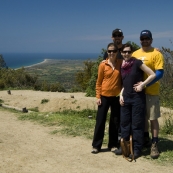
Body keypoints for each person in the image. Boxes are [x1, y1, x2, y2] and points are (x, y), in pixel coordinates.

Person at [119, 43, 156, 159]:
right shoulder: (122, 65)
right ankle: (124, 147)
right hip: (125, 98)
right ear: (121, 53)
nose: (126, 54)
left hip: (137, 99)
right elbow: (125, 83)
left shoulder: (137, 62)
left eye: (129, 52)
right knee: (124, 124)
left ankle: (136, 149)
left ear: (132, 53)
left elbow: (152, 74)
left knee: (137, 124)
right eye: (124, 52)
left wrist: (143, 85)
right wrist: (121, 95)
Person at [132, 30, 164, 159]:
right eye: (142, 38)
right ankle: (145, 138)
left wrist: (145, 85)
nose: (145, 40)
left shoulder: (156, 54)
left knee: (152, 118)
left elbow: (160, 74)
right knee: (142, 117)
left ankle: (154, 143)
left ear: (151, 39)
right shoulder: (135, 54)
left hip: (151, 91)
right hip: (138, 92)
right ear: (140, 39)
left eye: (147, 38)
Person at [91, 43, 123, 154]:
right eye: (109, 51)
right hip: (104, 97)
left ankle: (113, 144)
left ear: (117, 52)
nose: (111, 53)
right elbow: (98, 82)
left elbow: (132, 59)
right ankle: (96, 145)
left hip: (116, 97)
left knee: (115, 122)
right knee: (100, 121)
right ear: (107, 52)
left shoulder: (120, 63)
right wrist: (98, 96)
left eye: (113, 51)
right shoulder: (103, 65)